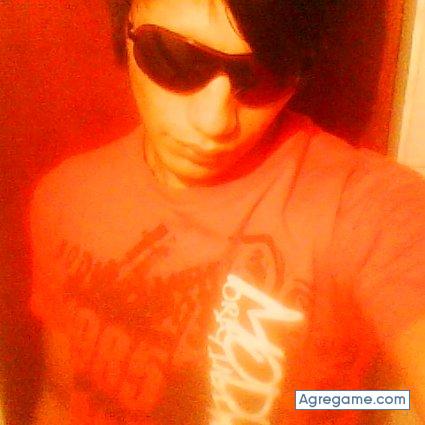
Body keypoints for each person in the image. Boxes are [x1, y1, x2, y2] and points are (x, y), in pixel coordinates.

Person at [29, 0, 425, 424]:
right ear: (123, 26)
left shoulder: (365, 207)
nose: (214, 123)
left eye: (266, 73)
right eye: (174, 57)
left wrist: (357, 403)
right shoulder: (65, 197)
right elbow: (61, 396)